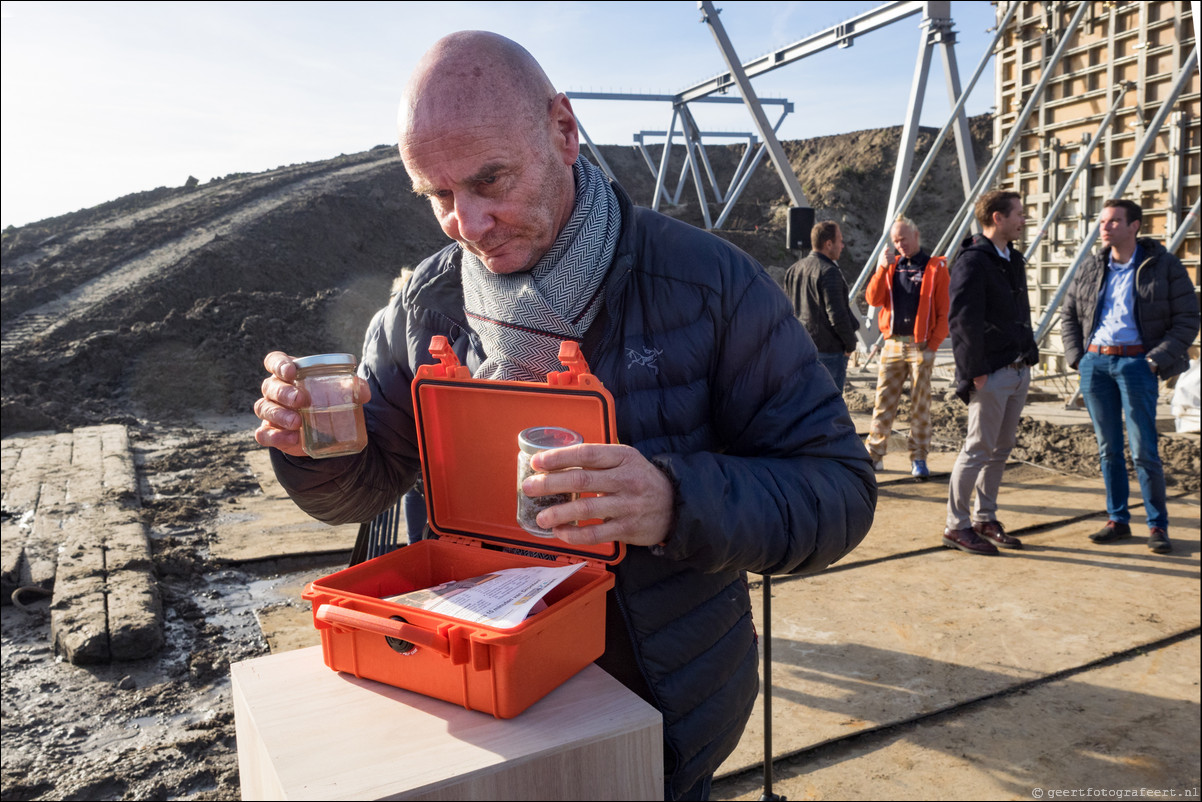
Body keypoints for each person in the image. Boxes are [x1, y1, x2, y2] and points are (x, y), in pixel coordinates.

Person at [252, 31, 876, 800]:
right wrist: (313, 446)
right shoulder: (425, 304)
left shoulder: (711, 286)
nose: (468, 224)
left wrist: (672, 501)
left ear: (564, 131)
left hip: (661, 702)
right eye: (439, 197)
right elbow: (364, 485)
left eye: (491, 180)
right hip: (476, 682)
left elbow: (838, 491)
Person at [1060, 199, 1199, 555]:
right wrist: (1079, 358)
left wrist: (1155, 360)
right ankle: (1117, 520)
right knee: (1108, 449)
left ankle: (1157, 526)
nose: (1105, 227)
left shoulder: (1162, 265)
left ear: (1134, 226)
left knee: (1143, 450)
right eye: (1103, 221)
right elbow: (1070, 313)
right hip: (1096, 365)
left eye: (1114, 222)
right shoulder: (1093, 266)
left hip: (1138, 365)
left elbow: (1187, 318)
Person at [943, 190, 1039, 555]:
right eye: (1019, 213)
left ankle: (984, 517)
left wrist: (1027, 355)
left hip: (1017, 368)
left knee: (1000, 449)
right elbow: (962, 322)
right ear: (997, 218)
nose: (1023, 219)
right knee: (977, 449)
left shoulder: (1011, 258)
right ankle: (956, 525)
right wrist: (975, 372)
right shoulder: (973, 261)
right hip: (991, 373)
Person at [863, 216, 949, 480]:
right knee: (883, 402)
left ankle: (919, 457)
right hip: (892, 344)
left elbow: (944, 311)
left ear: (916, 235)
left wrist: (933, 345)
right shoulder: (891, 266)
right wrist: (880, 269)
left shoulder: (935, 267)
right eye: (895, 241)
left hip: (920, 345)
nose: (899, 245)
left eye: (903, 239)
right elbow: (873, 299)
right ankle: (874, 454)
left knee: (920, 405)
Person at [782, 220, 859, 391]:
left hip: (800, 350)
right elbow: (837, 315)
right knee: (827, 408)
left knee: (803, 403)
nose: (843, 245)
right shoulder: (829, 272)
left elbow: (787, 312)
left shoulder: (793, 269)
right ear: (828, 243)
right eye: (840, 240)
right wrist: (850, 344)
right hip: (828, 352)